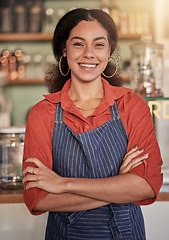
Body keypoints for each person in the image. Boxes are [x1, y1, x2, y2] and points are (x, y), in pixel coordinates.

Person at [22, 8, 163, 240]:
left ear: (110, 51)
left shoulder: (132, 105)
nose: (89, 53)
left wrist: (62, 183)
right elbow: (38, 198)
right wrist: (120, 186)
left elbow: (148, 186)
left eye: (99, 44)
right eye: (78, 44)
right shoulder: (42, 113)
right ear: (64, 51)